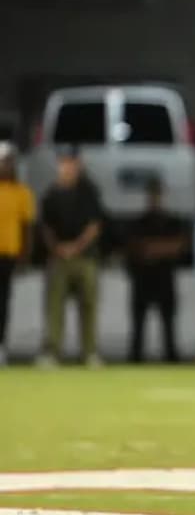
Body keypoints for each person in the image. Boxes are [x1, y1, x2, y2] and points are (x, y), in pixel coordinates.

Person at [39, 145, 104, 367]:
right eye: (63, 162)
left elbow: (94, 226)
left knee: (88, 305)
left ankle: (89, 352)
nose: (67, 166)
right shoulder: (51, 194)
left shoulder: (89, 191)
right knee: (54, 306)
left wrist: (75, 247)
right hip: (58, 257)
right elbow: (46, 227)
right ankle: (52, 352)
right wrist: (57, 248)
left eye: (71, 162)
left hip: (85, 256)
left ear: (78, 164)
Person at [126, 178, 188, 363]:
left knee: (168, 324)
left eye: (158, 194)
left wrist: (153, 249)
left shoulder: (172, 222)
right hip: (143, 279)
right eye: (152, 194)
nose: (155, 198)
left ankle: (171, 357)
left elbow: (179, 246)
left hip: (164, 278)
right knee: (138, 325)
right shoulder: (139, 222)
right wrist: (161, 249)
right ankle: (135, 359)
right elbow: (135, 248)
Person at [0, 142, 35, 366]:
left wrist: (25, 254)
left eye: (8, 162)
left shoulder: (22, 192)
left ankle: (0, 344)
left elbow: (27, 226)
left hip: (8, 254)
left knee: (3, 302)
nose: (5, 166)